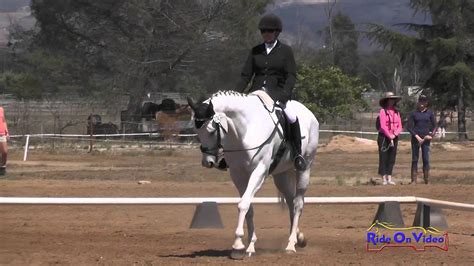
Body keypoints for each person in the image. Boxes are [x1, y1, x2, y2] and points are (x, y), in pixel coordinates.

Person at [235, 13, 306, 171]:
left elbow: (291, 75)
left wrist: (285, 93)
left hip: (278, 94)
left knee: (292, 116)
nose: (265, 34)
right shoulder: (255, 51)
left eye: (269, 31)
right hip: (255, 94)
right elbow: (245, 76)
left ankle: (297, 153)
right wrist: (235, 95)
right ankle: (229, 154)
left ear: (277, 32)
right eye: (263, 31)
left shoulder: (286, 51)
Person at [407, 95, 436, 184]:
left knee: (426, 158)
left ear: (426, 103)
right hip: (416, 138)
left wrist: (430, 136)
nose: (422, 104)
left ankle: (426, 179)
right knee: (415, 158)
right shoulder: (414, 113)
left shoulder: (430, 113)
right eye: (420, 101)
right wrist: (417, 136)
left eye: (423, 102)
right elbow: (409, 127)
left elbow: (434, 126)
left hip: (426, 139)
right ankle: (413, 180)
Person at [377, 92, 402, 185]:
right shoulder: (383, 111)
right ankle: (383, 178)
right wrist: (389, 136)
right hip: (384, 137)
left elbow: (400, 126)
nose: (392, 101)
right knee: (383, 157)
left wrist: (394, 135)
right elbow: (383, 126)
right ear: (387, 100)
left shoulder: (396, 112)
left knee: (392, 157)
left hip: (394, 136)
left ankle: (389, 177)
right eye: (390, 99)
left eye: (393, 99)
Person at [0, 106, 9, 175]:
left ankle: (2, 167)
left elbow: (3, 121)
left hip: (1, 133)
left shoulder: (1, 109)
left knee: (5, 151)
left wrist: (7, 132)